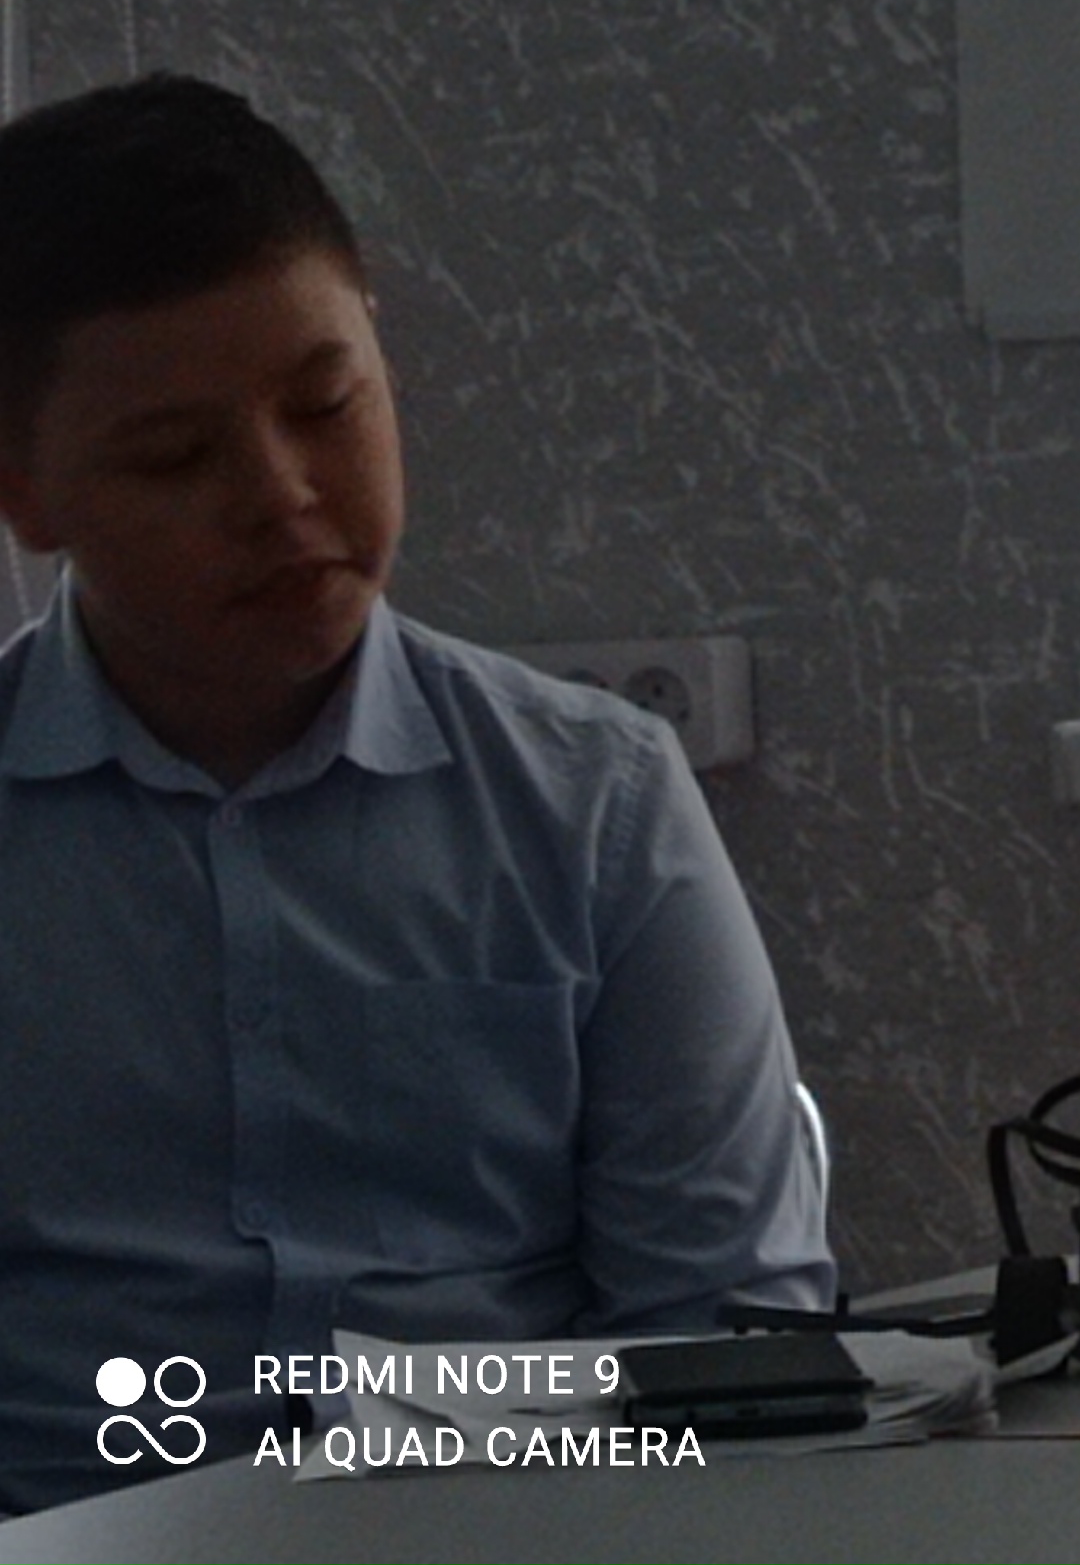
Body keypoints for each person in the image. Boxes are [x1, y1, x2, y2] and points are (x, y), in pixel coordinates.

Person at [0, 76, 834, 1511]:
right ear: (24, 493)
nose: (282, 494)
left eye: (327, 405)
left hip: (515, 1525)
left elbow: (723, 1341)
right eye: (176, 456)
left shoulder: (592, 803)